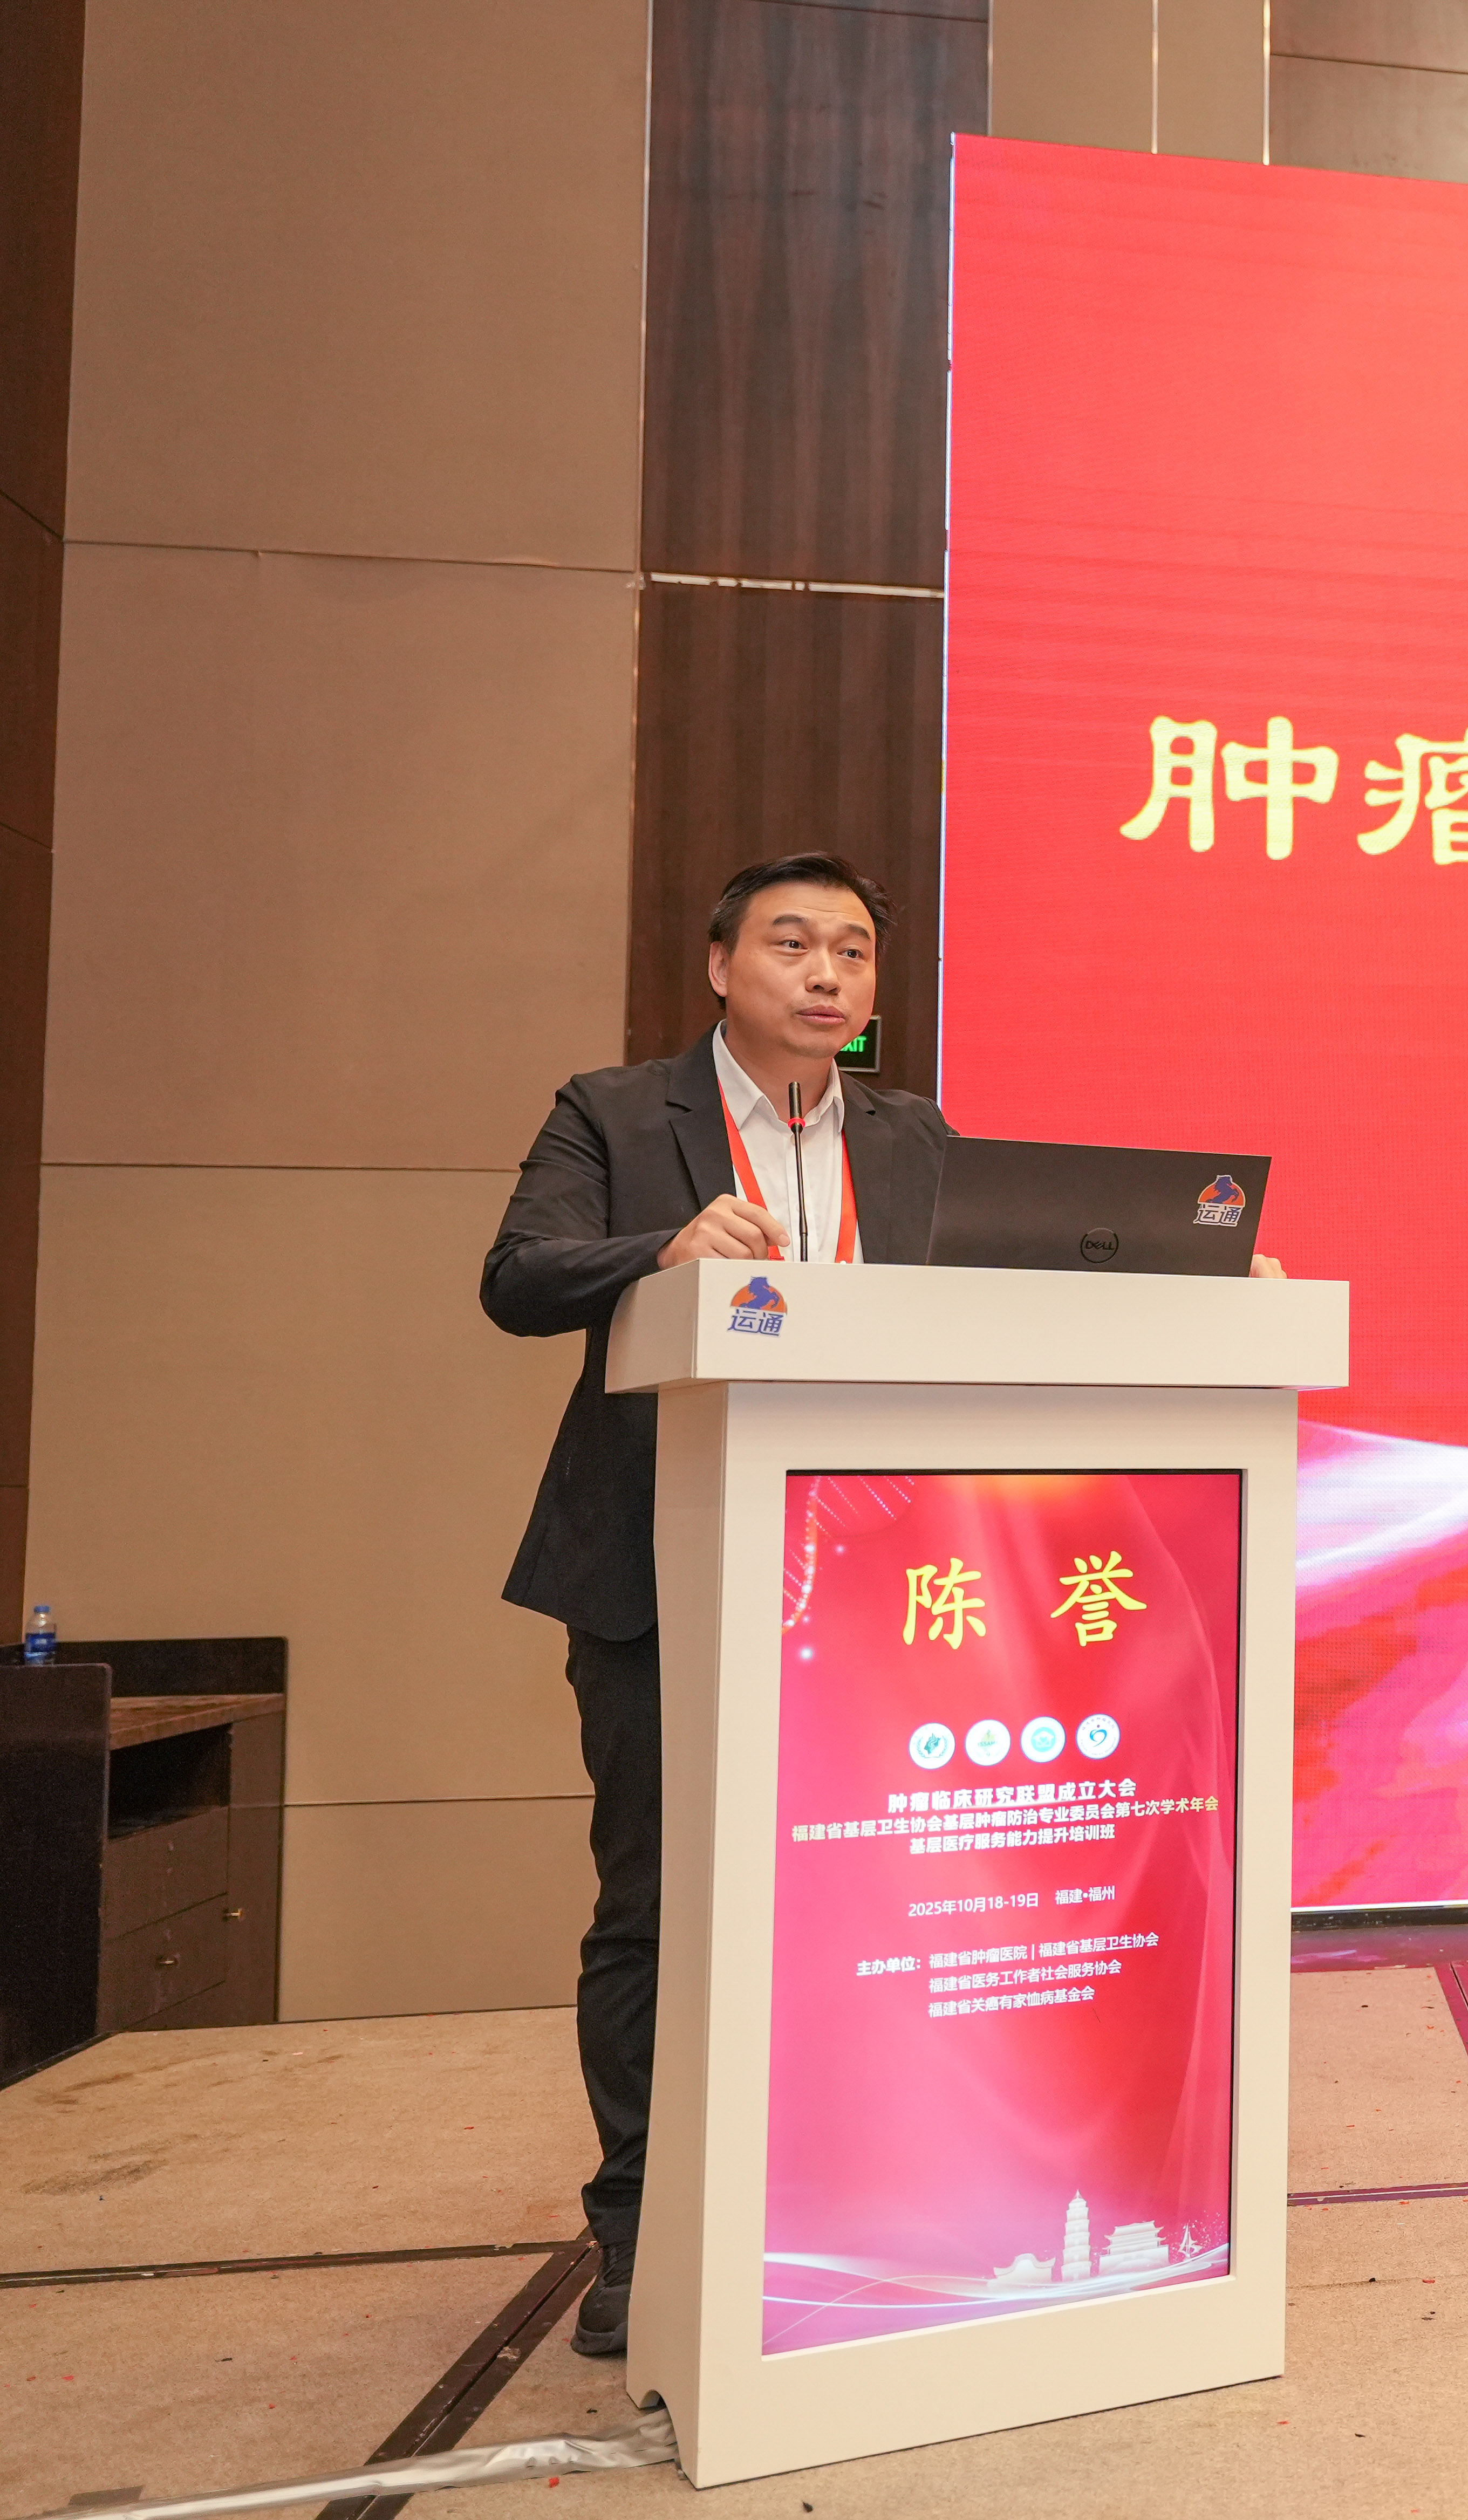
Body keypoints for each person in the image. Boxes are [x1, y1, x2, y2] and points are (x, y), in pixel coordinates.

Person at [482, 852, 947, 2358]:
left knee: (864, 1897)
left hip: (874, 1585)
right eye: (793, 943)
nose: (827, 974)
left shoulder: (914, 1135)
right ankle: (640, 2229)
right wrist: (663, 1251)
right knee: (659, 1899)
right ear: (720, 965)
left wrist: (1204, 1282)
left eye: (854, 952)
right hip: (657, 1568)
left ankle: (848, 2194)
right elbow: (519, 1278)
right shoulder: (617, 1115)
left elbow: (1015, 1283)